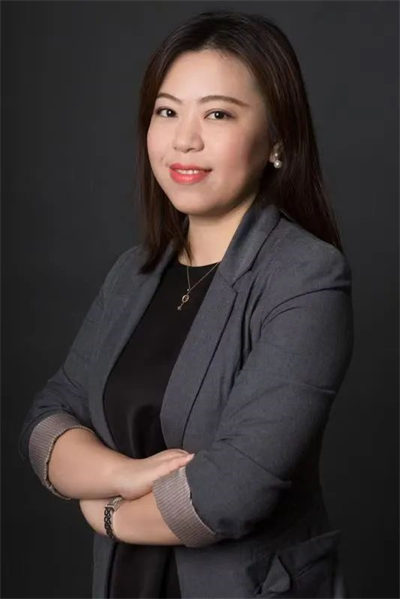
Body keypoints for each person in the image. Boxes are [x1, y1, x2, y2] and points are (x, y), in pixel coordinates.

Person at [18, 10, 354, 599]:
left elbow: (235, 490)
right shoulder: (134, 273)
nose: (184, 139)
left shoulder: (306, 276)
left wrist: (108, 513)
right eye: (167, 111)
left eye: (218, 114)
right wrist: (125, 475)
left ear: (277, 140)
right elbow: (48, 418)